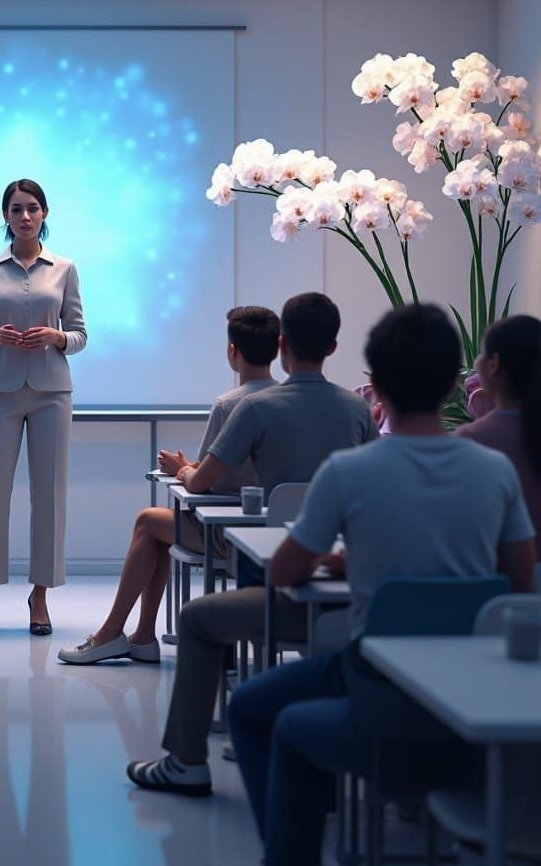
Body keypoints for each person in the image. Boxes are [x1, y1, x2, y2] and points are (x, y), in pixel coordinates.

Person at [228, 303, 536, 866]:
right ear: (452, 382)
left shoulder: (350, 471)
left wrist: (352, 561)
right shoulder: (493, 471)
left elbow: (282, 573)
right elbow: (518, 581)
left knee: (257, 711)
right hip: (477, 688)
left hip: (380, 695)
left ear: (376, 385)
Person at [116, 293, 377, 796]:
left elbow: (200, 484)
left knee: (204, 615)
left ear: (281, 345)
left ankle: (187, 759)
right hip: (347, 578)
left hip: (279, 563)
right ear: (334, 345)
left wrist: (184, 470)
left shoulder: (255, 406)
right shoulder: (355, 409)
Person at [56, 305, 280, 666]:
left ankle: (113, 634)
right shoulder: (285, 399)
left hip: (230, 533)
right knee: (157, 530)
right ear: (277, 347)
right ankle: (141, 638)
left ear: (232, 351)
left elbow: (204, 483)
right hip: (279, 534)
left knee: (148, 522)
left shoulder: (229, 405)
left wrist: (183, 469)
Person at [0, 178, 87, 636]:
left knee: (49, 493)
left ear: (45, 213)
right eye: (16, 209)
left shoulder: (66, 269)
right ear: (6, 216)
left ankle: (41, 594)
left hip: (53, 391)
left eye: (33, 208)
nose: (25, 216)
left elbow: (80, 335)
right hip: (0, 391)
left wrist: (57, 337)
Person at [458, 315, 541, 547]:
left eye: (481, 354)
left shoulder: (472, 440)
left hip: (505, 575)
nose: (476, 363)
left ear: (494, 364)